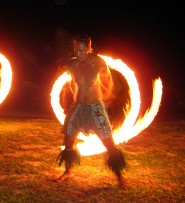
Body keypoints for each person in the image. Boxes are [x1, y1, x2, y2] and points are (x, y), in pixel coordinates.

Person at [56, 34, 128, 188]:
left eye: (82, 51)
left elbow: (109, 82)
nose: (78, 54)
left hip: (95, 107)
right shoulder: (73, 65)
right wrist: (66, 100)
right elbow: (71, 84)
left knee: (109, 144)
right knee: (68, 141)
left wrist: (109, 98)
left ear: (89, 48)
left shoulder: (98, 63)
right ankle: (68, 171)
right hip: (77, 107)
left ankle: (120, 178)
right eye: (76, 51)